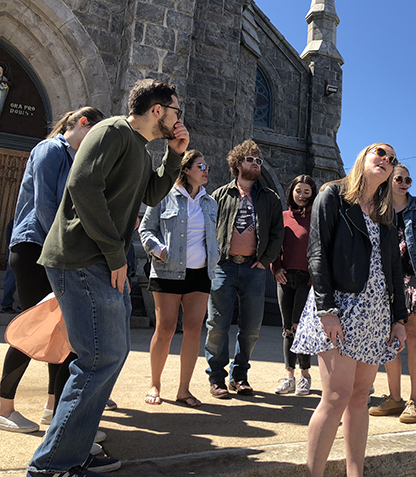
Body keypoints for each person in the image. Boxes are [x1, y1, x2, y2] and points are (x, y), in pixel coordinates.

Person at [27, 78, 189, 477]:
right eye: (176, 111)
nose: (178, 118)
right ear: (157, 110)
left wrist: (174, 155)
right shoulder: (112, 130)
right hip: (82, 259)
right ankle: (51, 465)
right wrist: (117, 255)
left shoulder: (138, 146)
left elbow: (151, 194)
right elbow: (83, 186)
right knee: (99, 359)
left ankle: (74, 449)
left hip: (100, 262)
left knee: (110, 357)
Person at [291, 142, 408, 477]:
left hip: (375, 313)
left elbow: (394, 270)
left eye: (392, 159)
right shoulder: (333, 195)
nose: (386, 161)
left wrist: (399, 318)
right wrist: (327, 308)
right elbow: (318, 253)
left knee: (360, 398)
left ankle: (355, 474)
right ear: (364, 157)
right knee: (336, 396)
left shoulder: (386, 210)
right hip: (339, 307)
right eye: (380, 153)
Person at [1, 107, 105, 435]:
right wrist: (62, 251)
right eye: (95, 135)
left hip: (51, 250)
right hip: (36, 248)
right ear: (83, 123)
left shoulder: (72, 156)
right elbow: (46, 205)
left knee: (61, 334)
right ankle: (3, 407)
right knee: (33, 329)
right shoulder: (50, 149)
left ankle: (53, 409)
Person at [204, 140, 284, 399]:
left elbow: (277, 233)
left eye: (259, 161)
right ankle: (216, 378)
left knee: (251, 328)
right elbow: (208, 230)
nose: (256, 164)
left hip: (254, 268)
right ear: (238, 164)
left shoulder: (270, 198)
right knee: (217, 324)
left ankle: (239, 376)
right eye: (251, 159)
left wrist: (266, 259)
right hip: (224, 267)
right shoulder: (219, 195)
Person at [139, 150, 219, 407]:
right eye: (201, 166)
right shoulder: (163, 196)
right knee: (165, 329)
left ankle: (184, 390)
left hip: (200, 274)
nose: (206, 170)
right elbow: (146, 229)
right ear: (185, 170)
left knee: (194, 330)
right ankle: (155, 383)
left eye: (206, 166)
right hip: (167, 271)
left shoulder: (210, 203)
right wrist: (159, 250)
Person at [369, 164, 416, 423]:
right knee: (389, 341)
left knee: (414, 337)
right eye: (399, 179)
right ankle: (395, 399)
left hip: (415, 280)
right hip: (385, 282)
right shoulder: (376, 208)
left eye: (408, 179)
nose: (404, 183)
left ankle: (415, 401)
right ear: (389, 180)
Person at [271, 175, 316, 396]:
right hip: (284, 278)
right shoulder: (283, 217)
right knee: (287, 329)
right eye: (299, 191)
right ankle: (289, 376)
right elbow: (275, 245)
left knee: (301, 328)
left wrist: (314, 277)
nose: (302, 195)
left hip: (306, 280)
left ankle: (305, 376)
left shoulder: (316, 219)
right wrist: (276, 268)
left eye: (307, 192)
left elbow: (320, 250)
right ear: (292, 192)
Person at [2, 221, 17, 313]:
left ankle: (21, 306)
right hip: (14, 252)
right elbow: (9, 239)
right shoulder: (13, 222)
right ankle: (6, 305)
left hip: (28, 254)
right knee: (10, 281)